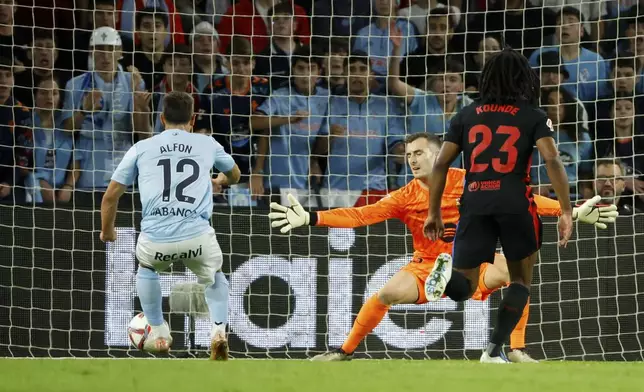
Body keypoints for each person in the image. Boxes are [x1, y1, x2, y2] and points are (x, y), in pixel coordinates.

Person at [269, 133, 618, 363]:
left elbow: (519, 197)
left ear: (439, 155)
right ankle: (343, 352)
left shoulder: (469, 180)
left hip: (474, 261)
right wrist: (312, 218)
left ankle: (516, 349)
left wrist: (568, 211)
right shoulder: (404, 196)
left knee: (516, 273)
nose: (412, 159)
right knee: (385, 295)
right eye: (408, 155)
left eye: (419, 153)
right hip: (427, 265)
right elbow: (361, 214)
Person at [423, 48, 579, 363]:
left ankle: (443, 276)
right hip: (515, 202)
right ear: (525, 78)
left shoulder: (466, 115)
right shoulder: (533, 114)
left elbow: (439, 165)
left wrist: (433, 211)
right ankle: (494, 351)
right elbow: (551, 159)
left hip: (475, 200)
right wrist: (565, 209)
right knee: (520, 281)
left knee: (464, 288)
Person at [99, 91, 241, 359]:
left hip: (156, 239)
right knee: (215, 276)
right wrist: (220, 181)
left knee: (148, 268)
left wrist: (107, 230)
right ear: (193, 119)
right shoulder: (207, 143)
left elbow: (110, 197)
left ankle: (158, 328)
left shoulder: (141, 147)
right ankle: (219, 331)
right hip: (197, 237)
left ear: (161, 118)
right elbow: (235, 174)